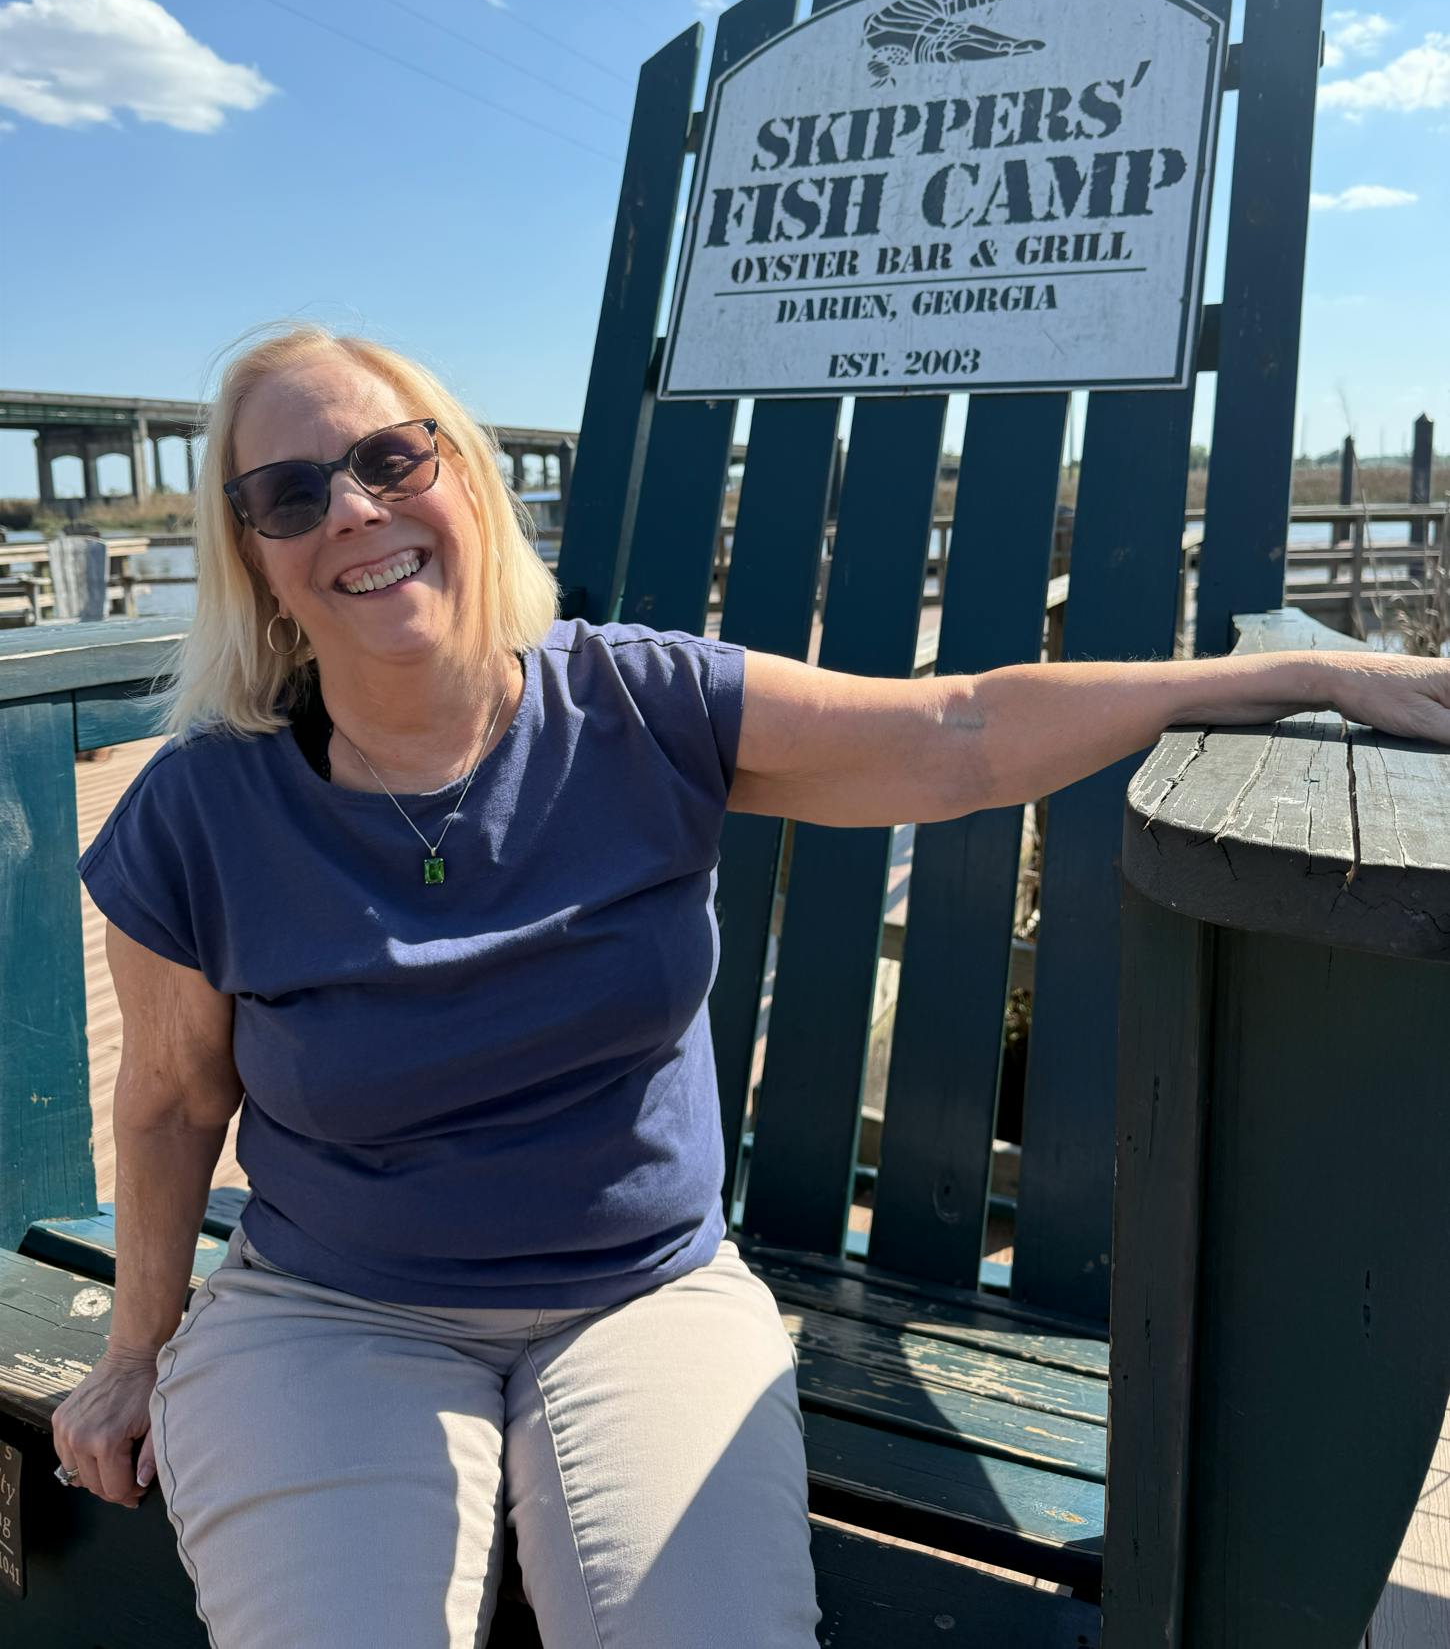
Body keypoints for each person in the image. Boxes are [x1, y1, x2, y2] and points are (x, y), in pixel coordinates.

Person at [51, 326, 1450, 1648]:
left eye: (388, 460)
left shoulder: (638, 706)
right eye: (289, 495)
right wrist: (134, 1348)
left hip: (637, 1297)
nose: (353, 511)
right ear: (256, 559)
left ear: (460, 477)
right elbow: (171, 1102)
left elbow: (957, 732)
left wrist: (1289, 673)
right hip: (328, 1310)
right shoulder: (203, 809)